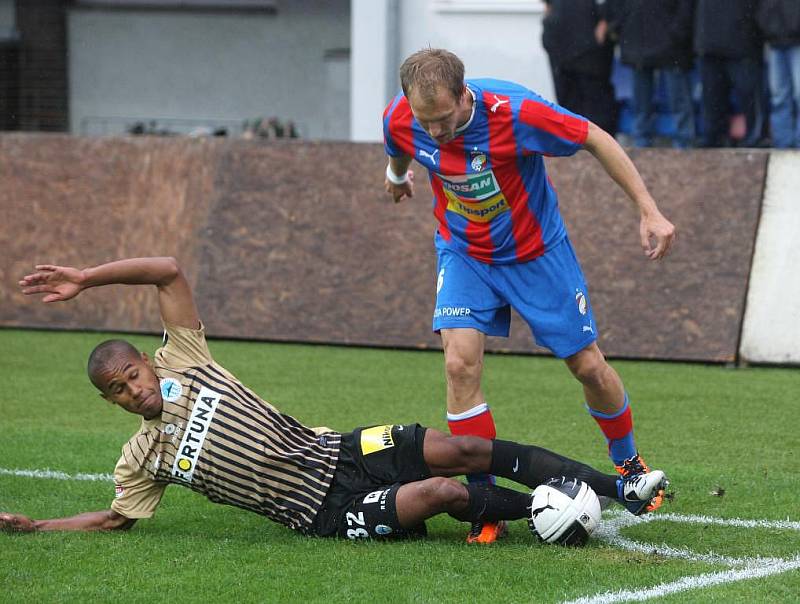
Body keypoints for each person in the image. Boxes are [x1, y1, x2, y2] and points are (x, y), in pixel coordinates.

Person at [0, 257, 667, 540]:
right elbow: (116, 520)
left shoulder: (186, 360)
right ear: (111, 402)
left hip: (340, 449)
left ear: (149, 361)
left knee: (460, 448)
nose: (134, 389)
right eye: (118, 391)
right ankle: (551, 516)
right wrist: (37, 528)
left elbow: (169, 271)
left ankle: (618, 488)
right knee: (443, 494)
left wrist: (87, 278)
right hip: (323, 511)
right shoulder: (143, 456)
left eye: (134, 374)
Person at [382, 48, 675, 543]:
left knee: (586, 365)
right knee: (459, 364)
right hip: (464, 253)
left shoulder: (516, 113)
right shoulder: (404, 115)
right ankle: (485, 502)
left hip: (537, 255)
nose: (432, 131)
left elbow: (596, 138)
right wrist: (395, 176)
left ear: (462, 94)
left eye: (442, 119)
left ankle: (627, 463)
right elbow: (398, 140)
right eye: (422, 120)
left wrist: (649, 211)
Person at [609, 0, 696, 148]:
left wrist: (677, 32)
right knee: (642, 100)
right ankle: (643, 141)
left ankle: (683, 142)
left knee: (676, 99)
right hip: (640, 41)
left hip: (664, 44)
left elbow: (686, 8)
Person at [694, 0, 764, 147]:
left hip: (743, 45)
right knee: (712, 99)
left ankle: (754, 139)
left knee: (749, 96)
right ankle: (714, 140)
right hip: (709, 45)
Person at [541, 0, 618, 135]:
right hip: (561, 41)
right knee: (568, 98)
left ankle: (601, 142)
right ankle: (572, 140)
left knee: (595, 99)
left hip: (590, 44)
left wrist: (605, 21)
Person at [758, 0, 800, 148]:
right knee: (778, 97)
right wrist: (766, 26)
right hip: (775, 41)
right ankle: (783, 144)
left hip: (795, 41)